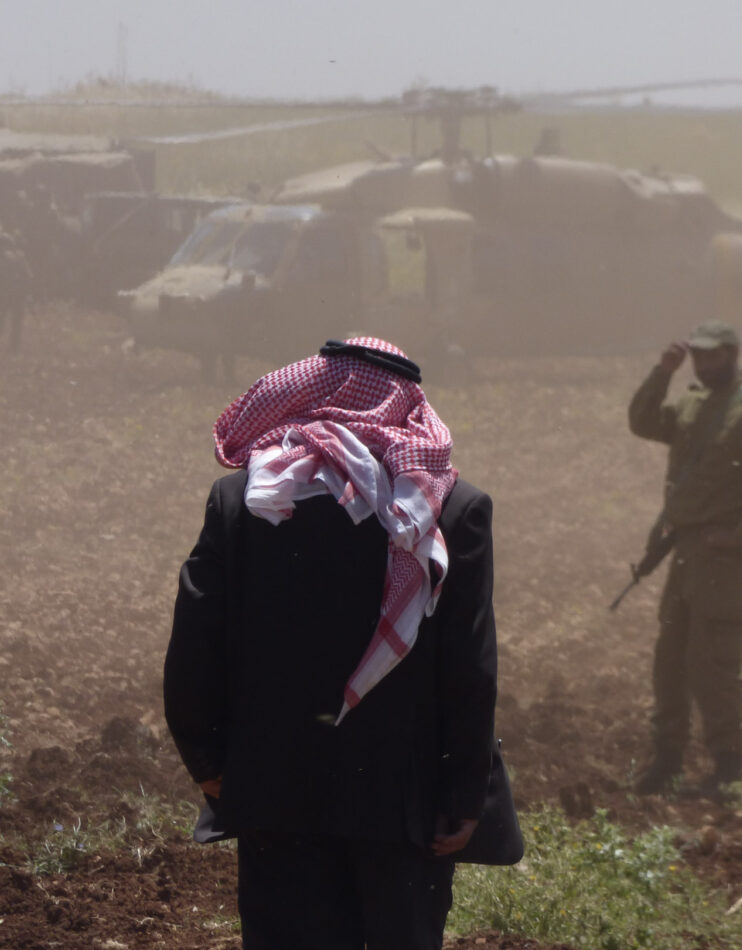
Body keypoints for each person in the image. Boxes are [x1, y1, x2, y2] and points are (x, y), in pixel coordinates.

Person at [164, 337, 516, 949]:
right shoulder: (451, 511)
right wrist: (465, 794)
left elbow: (196, 640)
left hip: (274, 794)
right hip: (403, 811)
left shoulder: (246, 501)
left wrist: (208, 761)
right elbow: (469, 665)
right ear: (409, 410)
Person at [628, 320, 742, 795]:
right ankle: (667, 761)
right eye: (699, 356)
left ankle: (728, 769)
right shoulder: (693, 405)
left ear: (733, 354)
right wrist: (663, 372)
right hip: (684, 556)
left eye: (713, 355)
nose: (705, 363)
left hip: (722, 562)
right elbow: (643, 421)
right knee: (671, 662)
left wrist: (740, 535)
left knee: (714, 665)